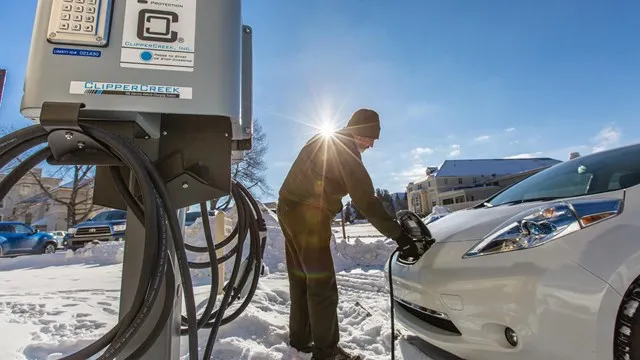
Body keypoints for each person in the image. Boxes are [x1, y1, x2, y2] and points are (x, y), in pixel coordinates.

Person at [277, 108, 420, 360]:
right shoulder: (345, 150)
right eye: (370, 138)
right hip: (308, 216)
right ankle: (327, 353)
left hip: (288, 208)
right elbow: (365, 199)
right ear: (360, 133)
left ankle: (300, 341)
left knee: (302, 279)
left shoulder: (325, 140)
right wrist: (398, 235)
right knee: (322, 285)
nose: (371, 145)